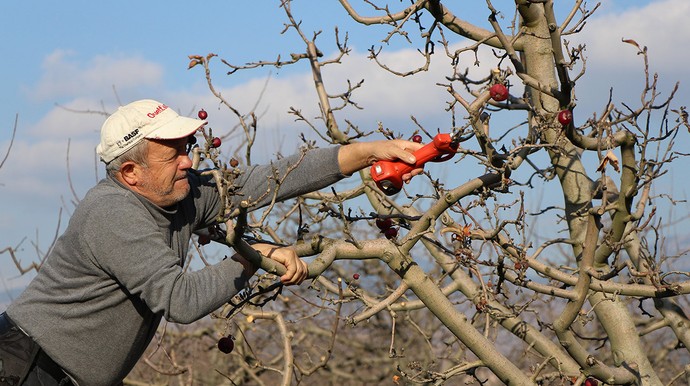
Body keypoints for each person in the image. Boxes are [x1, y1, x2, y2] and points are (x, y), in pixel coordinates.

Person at [0, 99, 422, 386]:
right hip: (26, 368)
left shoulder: (181, 192)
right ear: (131, 173)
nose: (188, 160)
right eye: (174, 154)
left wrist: (368, 153)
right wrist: (253, 256)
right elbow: (180, 300)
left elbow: (271, 178)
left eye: (187, 147)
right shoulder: (114, 213)